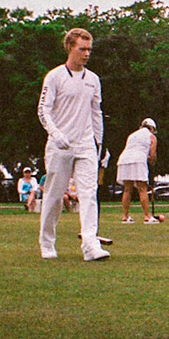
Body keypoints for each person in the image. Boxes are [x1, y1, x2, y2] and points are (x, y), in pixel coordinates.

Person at [36, 27, 109, 262]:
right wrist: (56, 134)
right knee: (55, 196)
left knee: (89, 194)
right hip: (60, 146)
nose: (87, 54)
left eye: (89, 49)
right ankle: (47, 243)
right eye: (82, 49)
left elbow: (96, 112)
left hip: (86, 144)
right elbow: (43, 110)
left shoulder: (93, 79)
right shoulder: (55, 76)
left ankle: (90, 245)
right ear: (70, 48)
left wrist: (98, 143)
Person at [118, 117, 160, 223]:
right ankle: (147, 216)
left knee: (127, 189)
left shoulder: (132, 135)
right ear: (152, 128)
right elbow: (152, 155)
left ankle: (125, 216)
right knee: (142, 189)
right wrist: (152, 162)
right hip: (138, 160)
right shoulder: (151, 137)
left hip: (124, 159)